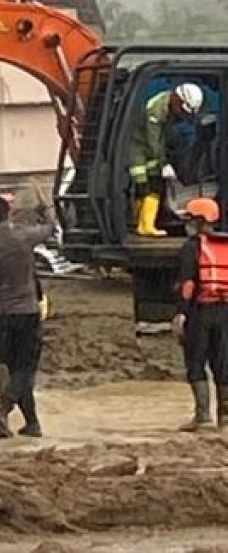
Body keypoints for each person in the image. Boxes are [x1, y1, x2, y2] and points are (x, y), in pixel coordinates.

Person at [0, 195, 57, 439]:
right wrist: (44, 207)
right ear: (9, 214)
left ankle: (32, 424)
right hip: (26, 312)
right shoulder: (23, 237)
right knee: (25, 369)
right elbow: (51, 228)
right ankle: (2, 409)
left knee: (14, 368)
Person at [174, 197, 228, 430]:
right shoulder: (225, 245)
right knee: (223, 363)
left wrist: (181, 313)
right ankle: (225, 418)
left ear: (198, 221)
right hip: (225, 311)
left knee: (196, 361)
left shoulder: (191, 247)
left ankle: (203, 417)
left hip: (200, 311)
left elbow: (187, 284)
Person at [130, 83, 203, 236]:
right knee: (151, 187)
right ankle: (145, 226)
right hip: (140, 152)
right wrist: (164, 163)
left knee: (145, 187)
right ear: (177, 99)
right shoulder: (155, 110)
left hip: (148, 153)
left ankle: (139, 223)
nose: (182, 114)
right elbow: (153, 141)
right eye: (182, 109)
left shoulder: (167, 107)